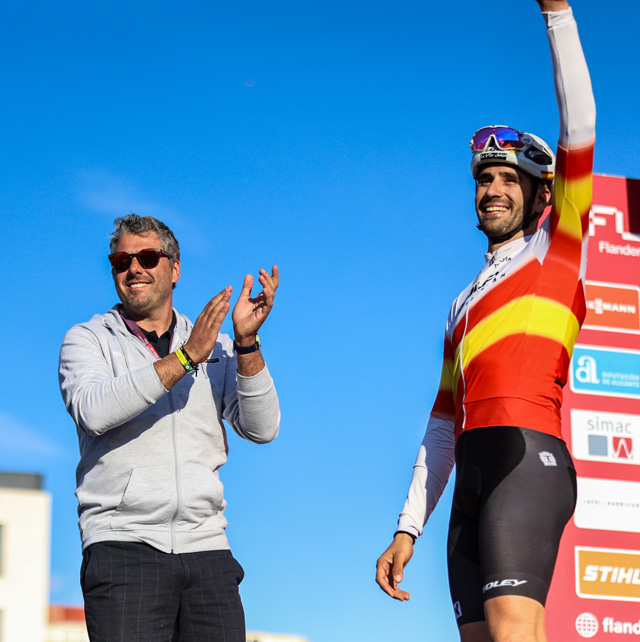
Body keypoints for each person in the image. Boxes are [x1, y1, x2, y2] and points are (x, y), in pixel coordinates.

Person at [375, 1, 595, 641]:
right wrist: (406, 527)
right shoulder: (461, 303)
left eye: (509, 178)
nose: (492, 189)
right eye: (484, 179)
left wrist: (556, 13)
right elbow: (442, 422)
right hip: (468, 480)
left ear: (540, 195)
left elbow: (578, 125)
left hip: (525, 461)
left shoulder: (559, 246)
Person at [59, 214, 280, 642]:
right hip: (123, 548)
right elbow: (93, 410)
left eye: (147, 257)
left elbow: (262, 427)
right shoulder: (87, 339)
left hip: (208, 551)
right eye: (121, 260)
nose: (133, 268)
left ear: (174, 268)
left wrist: (247, 344)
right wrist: (185, 358)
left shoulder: (214, 344)